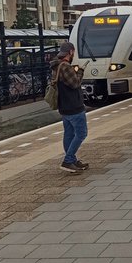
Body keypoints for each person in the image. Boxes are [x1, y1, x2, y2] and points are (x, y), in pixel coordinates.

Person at [50, 41, 89, 173]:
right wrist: (80, 72)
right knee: (82, 133)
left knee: (69, 134)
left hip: (64, 106)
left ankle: (72, 160)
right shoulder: (65, 66)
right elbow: (75, 84)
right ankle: (68, 160)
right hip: (73, 106)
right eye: (73, 53)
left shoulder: (56, 66)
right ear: (71, 52)